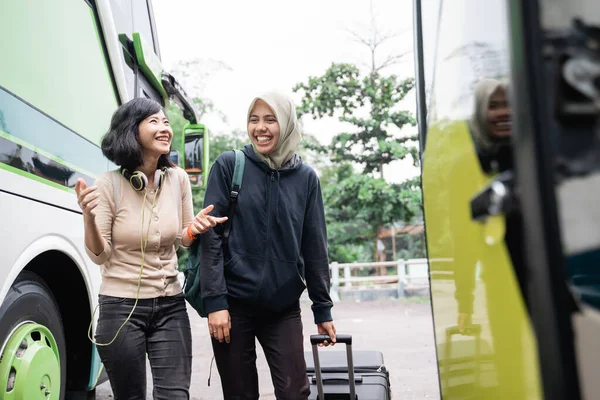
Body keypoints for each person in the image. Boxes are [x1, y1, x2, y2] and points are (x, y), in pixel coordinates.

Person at [75, 97, 226, 399]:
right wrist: (89, 218)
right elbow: (99, 255)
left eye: (166, 122)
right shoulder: (108, 184)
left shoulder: (178, 179)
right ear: (132, 130)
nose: (164, 128)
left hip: (170, 304)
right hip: (120, 308)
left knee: (175, 396)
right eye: (154, 121)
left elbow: (182, 238)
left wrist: (192, 230)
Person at [200, 92, 336, 399]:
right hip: (232, 305)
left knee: (295, 393)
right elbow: (211, 239)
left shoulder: (306, 179)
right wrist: (216, 303)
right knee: (240, 394)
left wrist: (322, 309)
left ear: (286, 124)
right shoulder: (228, 166)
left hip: (282, 307)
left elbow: (315, 248)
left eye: (270, 119)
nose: (260, 128)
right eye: (254, 119)